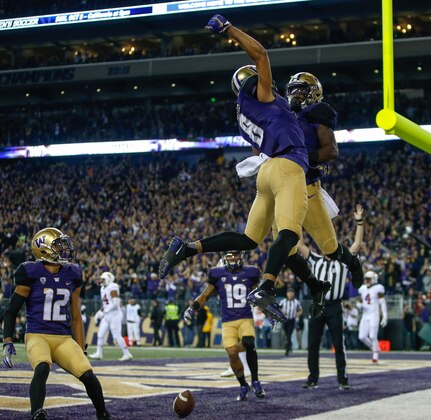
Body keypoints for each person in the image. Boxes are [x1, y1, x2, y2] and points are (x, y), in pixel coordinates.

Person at [159, 14, 329, 325]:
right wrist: (229, 30)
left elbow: (259, 148)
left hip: (266, 173)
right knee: (289, 235)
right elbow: (261, 53)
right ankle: (266, 286)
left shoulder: (244, 114)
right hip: (287, 166)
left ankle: (188, 247)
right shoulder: (262, 95)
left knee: (249, 239)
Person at [1, 227, 111, 420]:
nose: (64, 249)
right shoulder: (30, 272)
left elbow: (76, 316)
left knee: (87, 374)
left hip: (63, 338)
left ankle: (103, 413)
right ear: (43, 249)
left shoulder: (73, 273)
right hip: (37, 334)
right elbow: (11, 311)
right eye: (58, 245)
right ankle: (37, 413)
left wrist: (81, 347)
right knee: (42, 367)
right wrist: (7, 340)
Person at [281, 71, 364, 296]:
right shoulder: (286, 115)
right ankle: (313, 287)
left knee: (329, 247)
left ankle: (354, 264)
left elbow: (331, 151)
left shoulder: (317, 113)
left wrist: (302, 157)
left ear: (313, 92)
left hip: (307, 188)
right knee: (283, 250)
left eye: (301, 89)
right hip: (283, 190)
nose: (295, 94)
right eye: (292, 90)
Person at [183, 250, 265, 401]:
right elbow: (205, 295)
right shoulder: (217, 274)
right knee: (232, 353)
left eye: (236, 255)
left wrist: (267, 306)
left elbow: (261, 292)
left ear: (242, 256)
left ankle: (256, 381)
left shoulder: (251, 272)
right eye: (229, 256)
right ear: (223, 259)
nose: (233, 258)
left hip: (245, 318)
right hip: (228, 322)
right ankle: (243, 385)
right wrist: (192, 308)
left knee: (248, 342)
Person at [302, 205, 364, 390]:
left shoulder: (342, 262)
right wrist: (294, 218)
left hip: (335, 307)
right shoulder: (314, 259)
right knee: (313, 344)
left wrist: (359, 222)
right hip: (318, 304)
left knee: (338, 343)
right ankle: (313, 378)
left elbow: (356, 245)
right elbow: (298, 244)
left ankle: (342, 379)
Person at [89, 272, 133, 361]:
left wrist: (105, 311)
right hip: (107, 314)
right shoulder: (102, 288)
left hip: (115, 314)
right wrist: (100, 311)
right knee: (100, 334)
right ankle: (99, 353)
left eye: (103, 279)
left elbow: (116, 302)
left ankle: (127, 354)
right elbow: (106, 303)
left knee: (117, 336)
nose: (101, 281)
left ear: (109, 279)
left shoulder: (113, 286)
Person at [358, 271, 388, 364]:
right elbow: (360, 300)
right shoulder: (362, 288)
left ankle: (375, 356)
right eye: (366, 279)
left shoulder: (378, 288)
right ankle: (375, 348)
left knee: (372, 336)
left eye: (368, 279)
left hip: (374, 314)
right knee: (361, 337)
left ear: (374, 279)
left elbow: (382, 303)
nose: (366, 280)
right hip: (365, 314)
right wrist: (359, 304)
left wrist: (385, 316)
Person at [280, 287, 303, 356]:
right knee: (286, 334)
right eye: (289, 292)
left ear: (293, 294)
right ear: (286, 293)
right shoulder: (283, 301)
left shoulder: (296, 302)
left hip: (292, 320)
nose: (290, 294)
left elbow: (301, 310)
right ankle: (289, 346)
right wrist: (282, 312)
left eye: (291, 293)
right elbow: (278, 309)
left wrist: (297, 314)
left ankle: (287, 349)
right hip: (285, 320)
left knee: (289, 334)